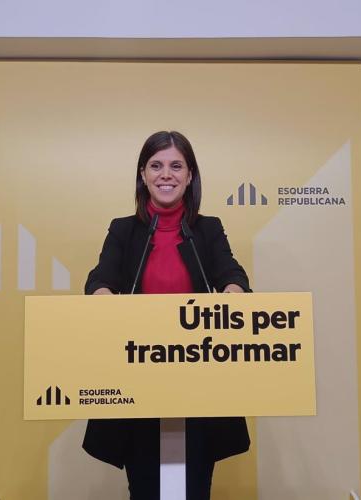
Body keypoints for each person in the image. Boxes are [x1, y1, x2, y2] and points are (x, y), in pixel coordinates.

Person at [83, 130, 251, 500]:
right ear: (142, 174)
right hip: (138, 383)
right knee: (146, 489)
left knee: (193, 489)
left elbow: (232, 275)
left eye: (176, 166)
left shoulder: (208, 229)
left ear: (190, 176)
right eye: (156, 165)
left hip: (198, 383)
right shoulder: (124, 229)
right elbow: (100, 279)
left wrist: (233, 292)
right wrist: (103, 295)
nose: (166, 175)